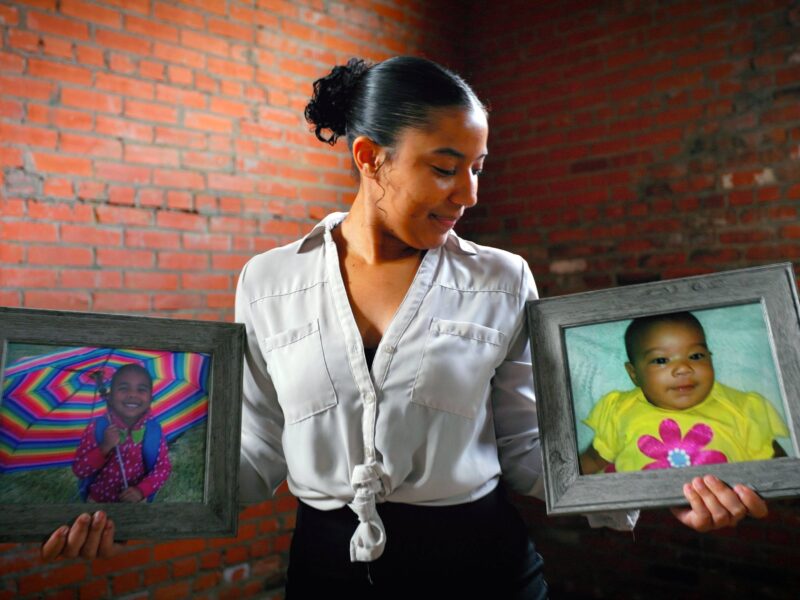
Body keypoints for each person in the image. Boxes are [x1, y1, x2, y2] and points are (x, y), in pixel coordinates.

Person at [42, 56, 769, 593]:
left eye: (479, 166)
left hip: (479, 565)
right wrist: (122, 506)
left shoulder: (501, 277)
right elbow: (256, 449)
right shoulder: (269, 279)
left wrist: (664, 489)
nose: (471, 193)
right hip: (325, 567)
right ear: (370, 157)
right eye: (447, 167)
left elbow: (528, 445)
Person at [580, 312, 788, 474]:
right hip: (642, 519)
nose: (683, 368)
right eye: (661, 360)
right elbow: (591, 462)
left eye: (696, 356)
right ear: (634, 374)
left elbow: (780, 468)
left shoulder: (742, 408)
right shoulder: (619, 410)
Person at [72, 363, 171, 503]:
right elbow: (80, 470)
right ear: (110, 396)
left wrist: (141, 490)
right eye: (123, 388)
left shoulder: (153, 430)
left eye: (141, 389)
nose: (132, 394)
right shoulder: (97, 428)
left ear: (150, 398)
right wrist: (104, 448)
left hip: (136, 503)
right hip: (98, 502)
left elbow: (163, 468)